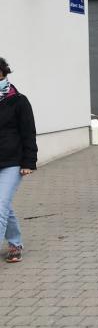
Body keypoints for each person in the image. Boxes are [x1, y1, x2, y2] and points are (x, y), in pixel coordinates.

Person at [0, 57, 37, 263]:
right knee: (4, 206)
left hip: (12, 162)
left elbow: (28, 132)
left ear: (3, 72)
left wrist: (28, 162)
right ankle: (15, 243)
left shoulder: (18, 100)